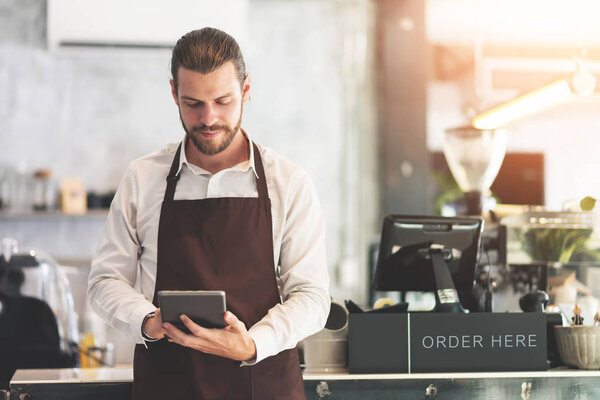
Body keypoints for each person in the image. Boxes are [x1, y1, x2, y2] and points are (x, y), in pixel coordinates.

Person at [87, 27, 330, 400]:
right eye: (193, 103)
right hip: (167, 384)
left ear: (246, 89)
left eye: (223, 100)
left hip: (263, 385)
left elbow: (312, 297)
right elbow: (104, 280)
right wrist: (149, 322)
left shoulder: (289, 182)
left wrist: (252, 343)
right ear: (173, 94)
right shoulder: (142, 179)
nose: (209, 118)